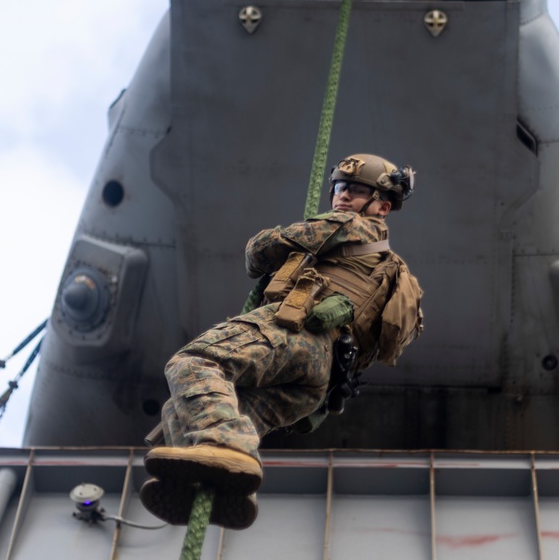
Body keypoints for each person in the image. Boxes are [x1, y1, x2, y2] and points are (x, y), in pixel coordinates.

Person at [140, 154, 423, 530]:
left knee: (194, 364)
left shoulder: (351, 226)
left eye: (356, 192)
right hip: (319, 382)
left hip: (295, 333)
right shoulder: (388, 272)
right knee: (187, 410)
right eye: (340, 189)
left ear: (382, 207)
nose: (342, 198)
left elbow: (257, 254)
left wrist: (275, 241)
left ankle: (225, 447)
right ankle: (223, 480)